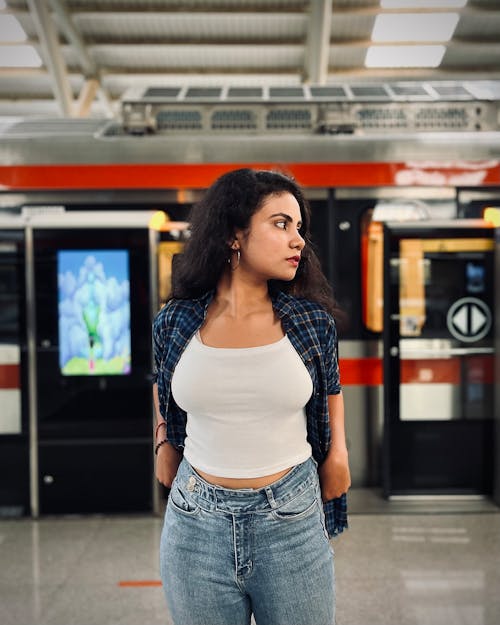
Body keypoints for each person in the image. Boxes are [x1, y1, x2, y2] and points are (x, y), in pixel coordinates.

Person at [152, 168, 351, 625]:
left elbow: (331, 386)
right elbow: (161, 380)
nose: (298, 239)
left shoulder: (309, 321)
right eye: (281, 224)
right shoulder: (176, 320)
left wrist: (338, 452)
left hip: (292, 519)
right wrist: (163, 440)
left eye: (299, 227)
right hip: (195, 522)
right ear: (234, 236)